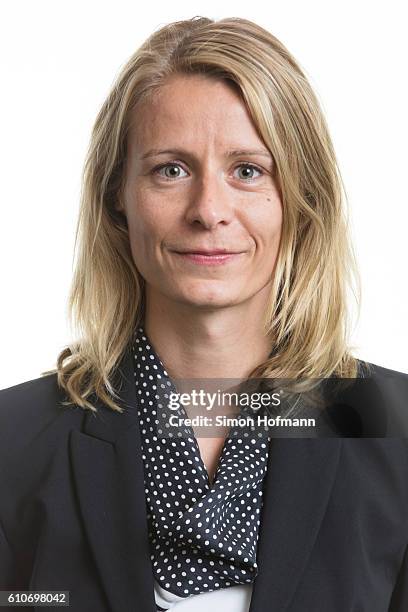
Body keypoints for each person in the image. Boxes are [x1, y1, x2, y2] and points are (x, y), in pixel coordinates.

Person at [0, 15, 407, 612]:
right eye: (171, 169)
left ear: (302, 195)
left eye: (248, 171)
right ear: (118, 197)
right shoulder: (11, 444)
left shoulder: (397, 437)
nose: (209, 210)